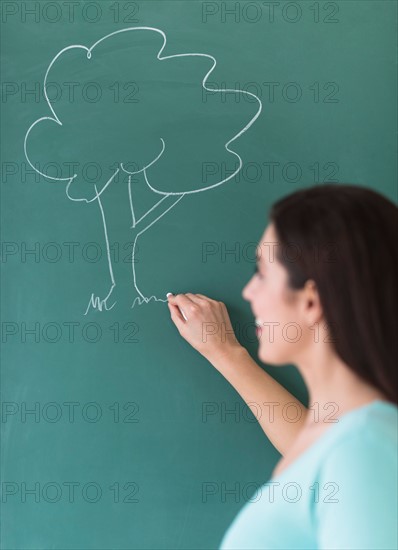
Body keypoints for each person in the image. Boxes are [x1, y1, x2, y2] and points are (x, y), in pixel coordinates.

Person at [167, 183, 398, 550]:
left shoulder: (361, 453)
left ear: (310, 302)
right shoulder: (348, 440)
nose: (248, 291)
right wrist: (224, 352)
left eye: (261, 273)